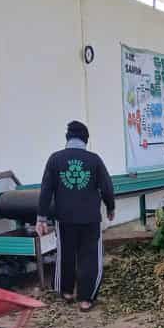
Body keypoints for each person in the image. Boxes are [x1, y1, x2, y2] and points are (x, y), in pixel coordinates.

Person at [36, 121, 115, 312]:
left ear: (67, 138)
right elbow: (107, 186)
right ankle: (86, 300)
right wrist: (110, 207)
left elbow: (46, 190)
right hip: (90, 219)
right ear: (86, 139)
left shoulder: (55, 159)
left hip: (65, 218)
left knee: (66, 254)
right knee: (90, 257)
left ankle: (67, 292)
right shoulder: (94, 160)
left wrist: (41, 218)